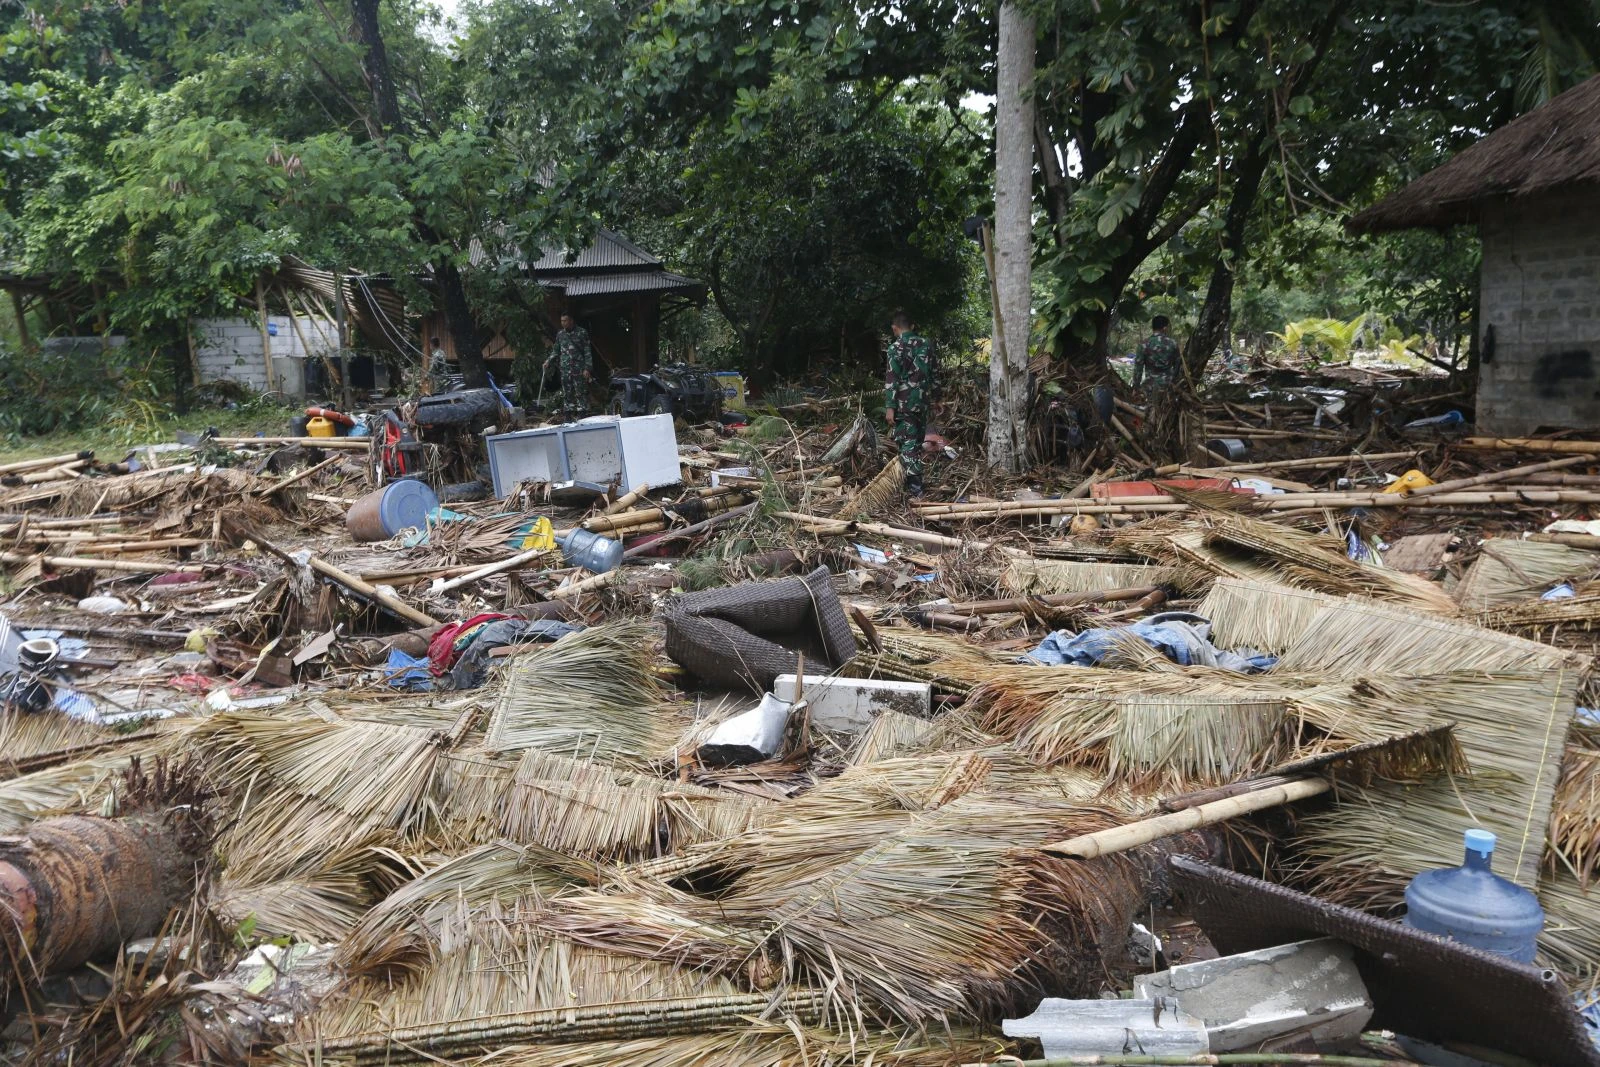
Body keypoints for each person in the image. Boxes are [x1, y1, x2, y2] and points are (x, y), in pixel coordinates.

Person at [883, 309, 935, 497]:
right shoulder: (926, 345)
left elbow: (892, 380)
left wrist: (890, 407)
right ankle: (912, 483)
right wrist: (935, 399)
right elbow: (933, 375)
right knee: (917, 441)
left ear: (894, 328)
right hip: (922, 402)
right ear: (912, 327)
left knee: (908, 443)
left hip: (904, 404)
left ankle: (915, 489)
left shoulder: (895, 348)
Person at [553, 312, 594, 417]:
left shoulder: (581, 332)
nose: (563, 323)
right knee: (567, 393)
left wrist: (587, 368)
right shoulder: (560, 334)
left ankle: (582, 414)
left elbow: (587, 352)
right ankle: (568, 415)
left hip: (579, 369)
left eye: (565, 320)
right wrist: (548, 361)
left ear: (571, 321)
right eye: (561, 321)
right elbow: (556, 351)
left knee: (581, 392)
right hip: (565, 369)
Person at [1132, 314, 1182, 395]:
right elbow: (1177, 364)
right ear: (1165, 328)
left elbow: (1138, 369)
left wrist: (1136, 387)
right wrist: (1174, 380)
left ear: (1153, 327)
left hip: (1150, 387)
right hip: (1168, 386)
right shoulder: (1173, 343)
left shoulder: (1144, 344)